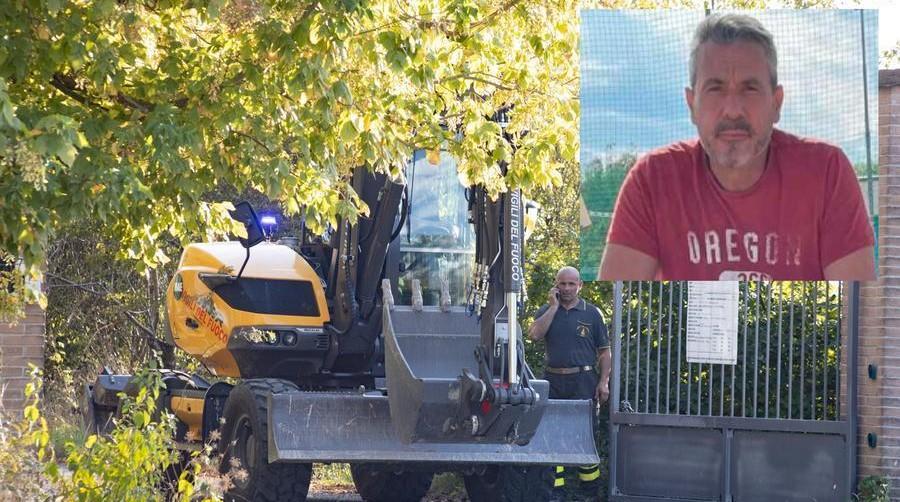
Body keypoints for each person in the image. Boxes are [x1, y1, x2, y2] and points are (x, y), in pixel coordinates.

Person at [599, 13, 875, 281]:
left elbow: (859, 305)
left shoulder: (827, 172)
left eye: (750, 88)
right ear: (691, 105)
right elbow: (618, 299)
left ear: (776, 103)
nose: (732, 110)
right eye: (715, 88)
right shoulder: (653, 179)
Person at [528, 266, 611, 502]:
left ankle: (589, 494)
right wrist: (553, 307)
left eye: (571, 284)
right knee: (552, 435)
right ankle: (556, 493)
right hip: (552, 381)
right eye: (562, 284)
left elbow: (605, 353)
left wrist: (603, 382)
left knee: (585, 435)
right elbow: (534, 334)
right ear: (555, 285)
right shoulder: (547, 310)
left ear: (580, 286)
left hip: (583, 380)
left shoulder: (592, 313)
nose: (566, 289)